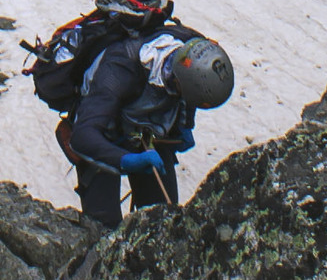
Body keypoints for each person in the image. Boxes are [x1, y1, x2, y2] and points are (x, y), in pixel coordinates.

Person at [60, 24, 234, 229]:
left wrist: (184, 127)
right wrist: (126, 160)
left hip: (149, 129)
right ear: (177, 81)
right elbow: (82, 136)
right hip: (103, 135)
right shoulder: (118, 72)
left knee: (162, 220)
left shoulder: (194, 52)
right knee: (103, 226)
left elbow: (189, 97)